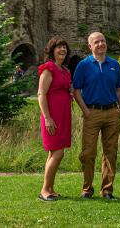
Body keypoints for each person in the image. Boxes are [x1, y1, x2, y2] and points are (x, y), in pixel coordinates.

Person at [73, 32, 120, 200]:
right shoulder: (83, 65)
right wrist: (85, 111)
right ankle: (87, 189)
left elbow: (119, 88)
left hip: (112, 112)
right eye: (97, 42)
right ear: (90, 46)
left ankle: (107, 190)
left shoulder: (114, 64)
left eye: (103, 41)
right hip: (92, 112)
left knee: (111, 152)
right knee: (88, 153)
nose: (101, 44)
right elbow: (76, 90)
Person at [37, 37, 72, 201]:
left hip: (64, 116)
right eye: (59, 47)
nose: (62, 50)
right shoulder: (48, 68)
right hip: (52, 117)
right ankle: (44, 190)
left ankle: (50, 188)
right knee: (57, 153)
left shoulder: (64, 70)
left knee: (54, 153)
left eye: (64, 47)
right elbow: (41, 94)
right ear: (52, 50)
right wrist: (48, 118)